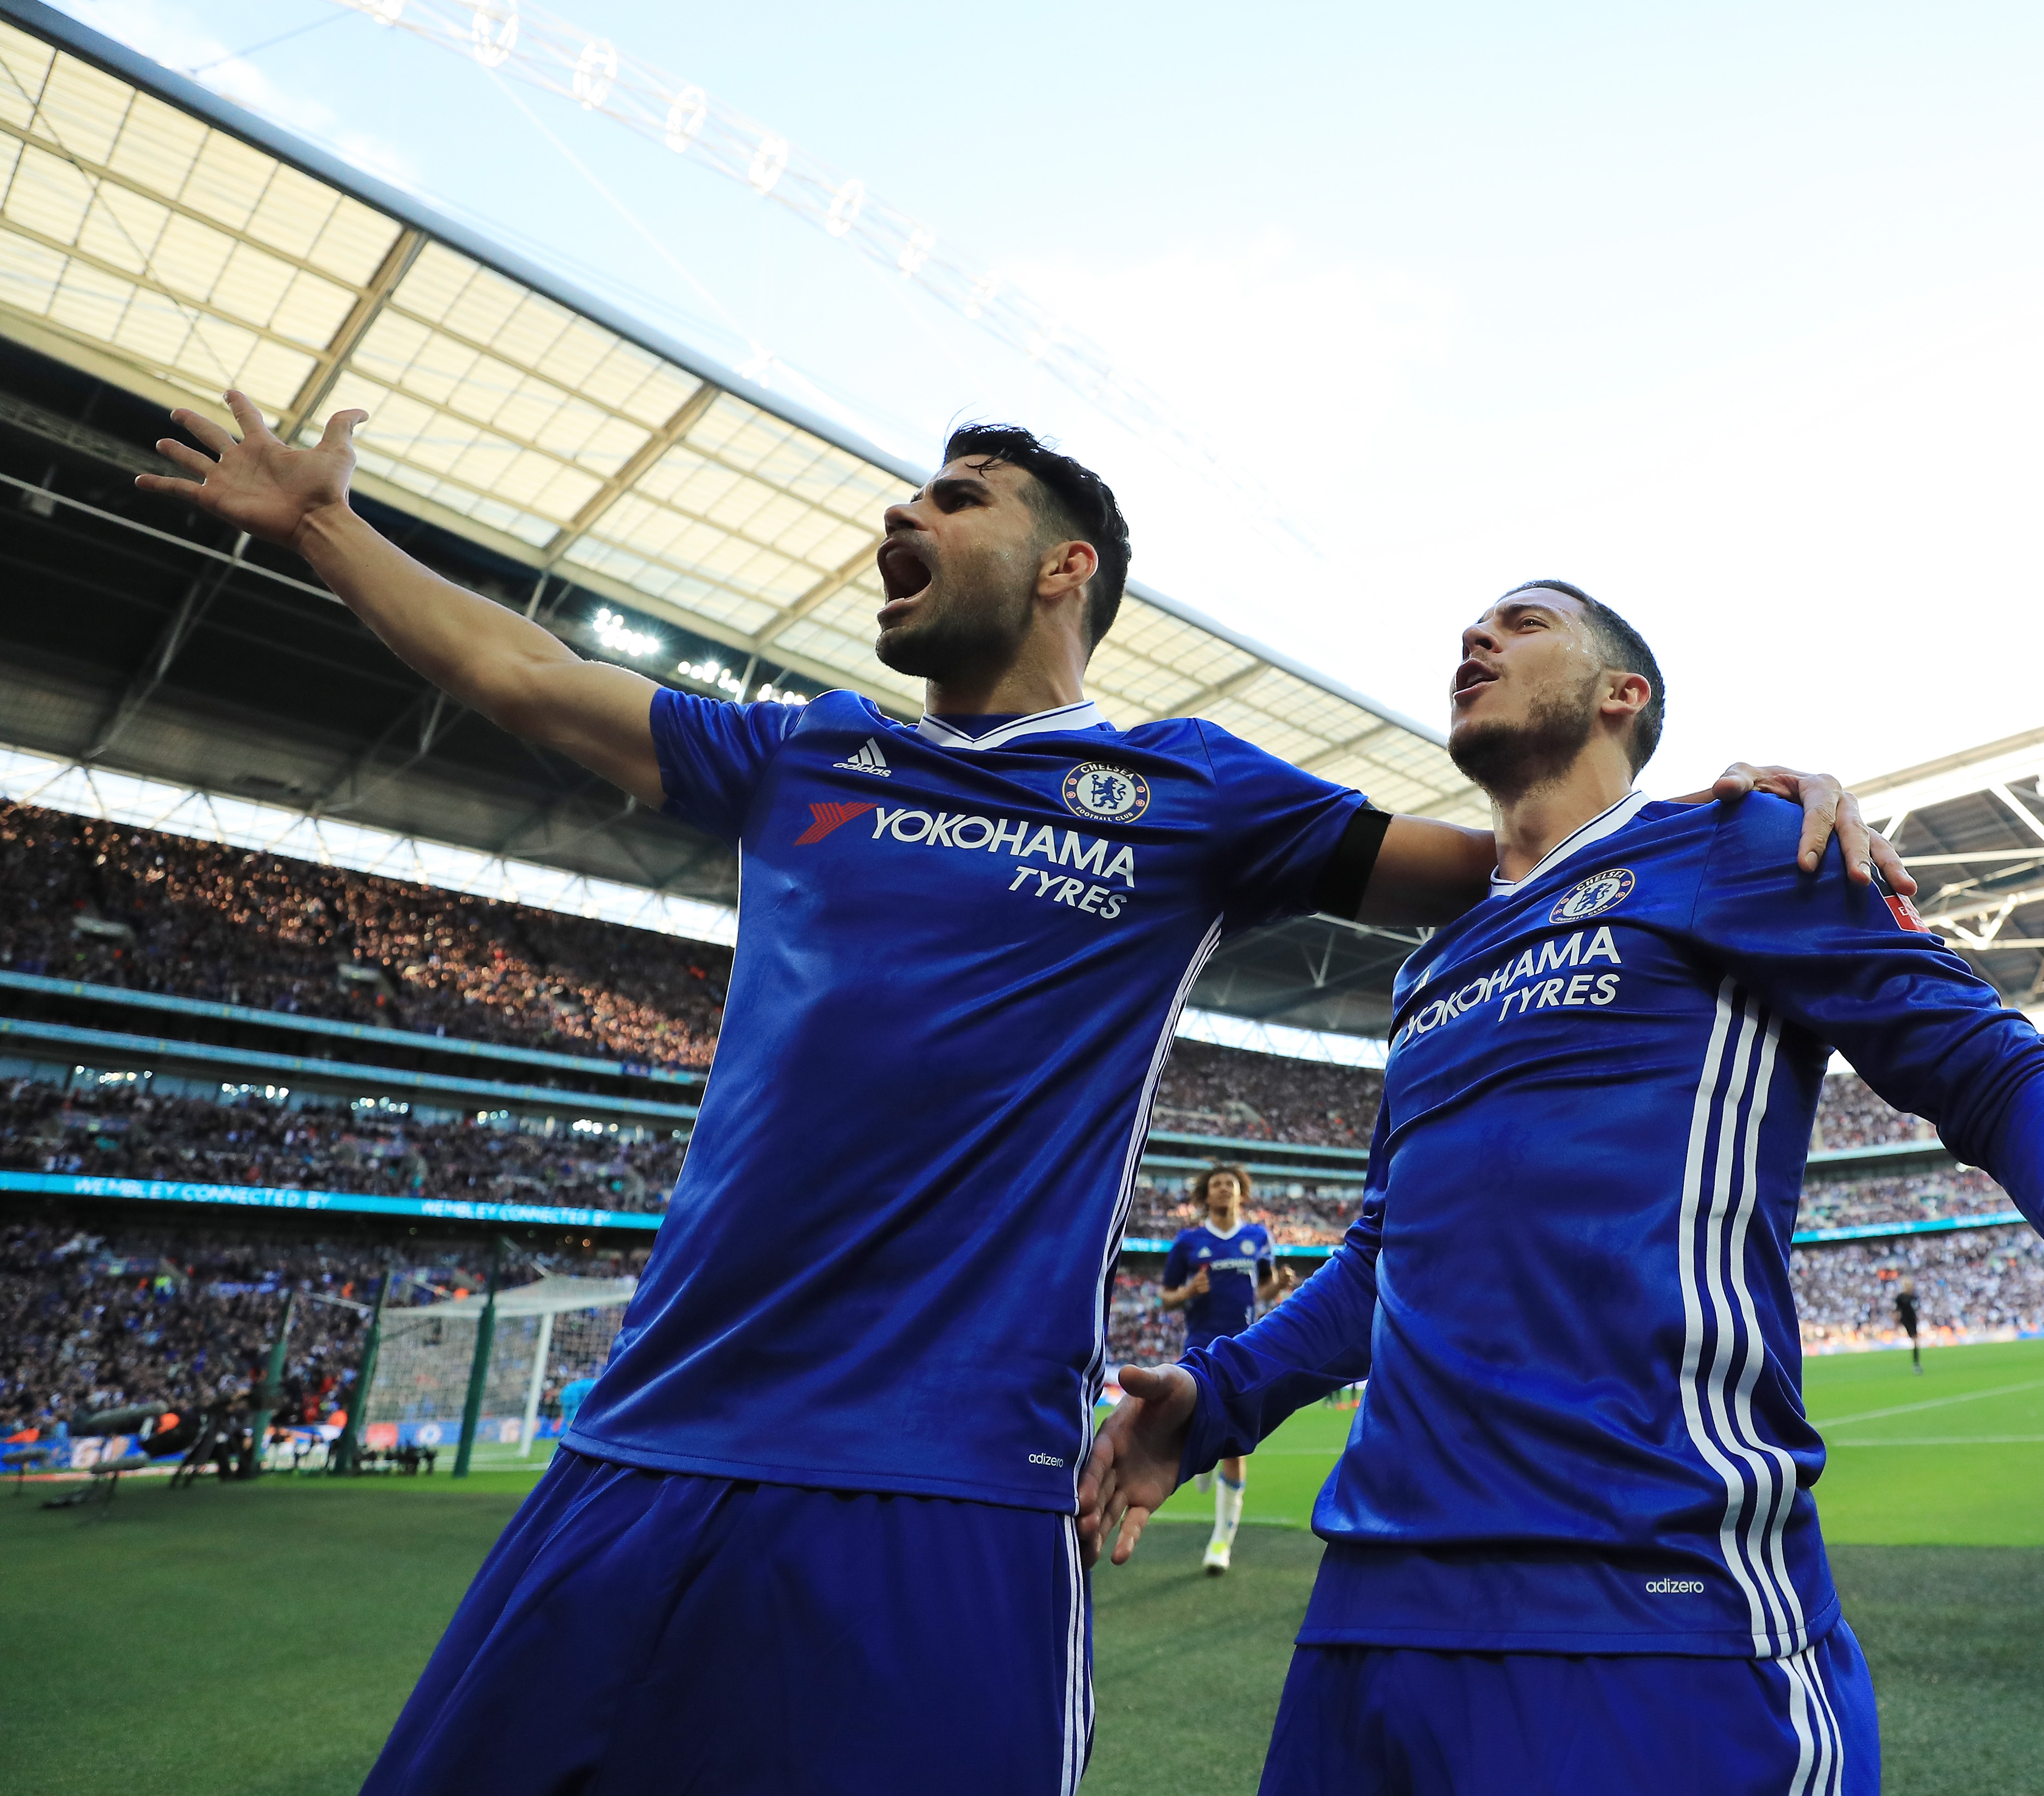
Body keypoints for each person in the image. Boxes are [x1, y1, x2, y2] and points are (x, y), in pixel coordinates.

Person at [139, 396, 1910, 1796]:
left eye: (954, 495)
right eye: (908, 495)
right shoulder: (802, 748)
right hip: (644, 1448)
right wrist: (323, 527)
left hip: (956, 1490)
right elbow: (521, 674)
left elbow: (1521, 859)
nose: (900, 518)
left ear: (1062, 570)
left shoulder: (1192, 791)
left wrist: (1746, 813)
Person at [1081, 580, 2044, 1795]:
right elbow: (1381, 1258)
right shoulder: (1432, 966)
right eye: (1473, 623)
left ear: (1623, 694)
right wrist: (1216, 1398)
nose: (1475, 634)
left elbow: (1991, 1066)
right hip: (1364, 1629)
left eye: (1524, 622)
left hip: (1650, 1611)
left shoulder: (1735, 847)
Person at [1158, 1164, 1296, 1573]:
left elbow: (1263, 1291)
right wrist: (1187, 1291)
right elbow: (1166, 1298)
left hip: (1243, 1350)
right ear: (1206, 1195)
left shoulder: (1258, 1238)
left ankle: (1221, 1543)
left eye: (1230, 1184)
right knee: (1191, 1433)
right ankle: (1203, 1457)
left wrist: (1280, 1284)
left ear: (1241, 1194)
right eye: (1216, 1184)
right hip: (1199, 1350)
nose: (1223, 1190)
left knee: (1234, 1446)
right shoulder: (1189, 1242)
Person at [1892, 1282, 1922, 1373]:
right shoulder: (1901, 1297)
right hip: (1905, 1321)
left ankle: (1916, 1364)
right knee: (1915, 1341)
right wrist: (1896, 1322)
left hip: (1913, 1321)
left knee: (1916, 1342)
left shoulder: (1913, 1296)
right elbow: (1896, 1310)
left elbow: (1916, 1308)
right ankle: (1916, 1365)